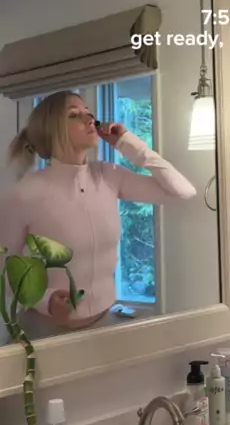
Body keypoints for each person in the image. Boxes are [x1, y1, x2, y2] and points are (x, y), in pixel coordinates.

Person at [0, 90, 196, 335]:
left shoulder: (109, 175)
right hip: (42, 332)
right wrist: (46, 301)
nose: (89, 119)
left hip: (105, 327)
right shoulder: (23, 194)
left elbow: (183, 192)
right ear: (52, 130)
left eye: (89, 113)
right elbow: (3, 270)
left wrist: (128, 144)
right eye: (75, 115)